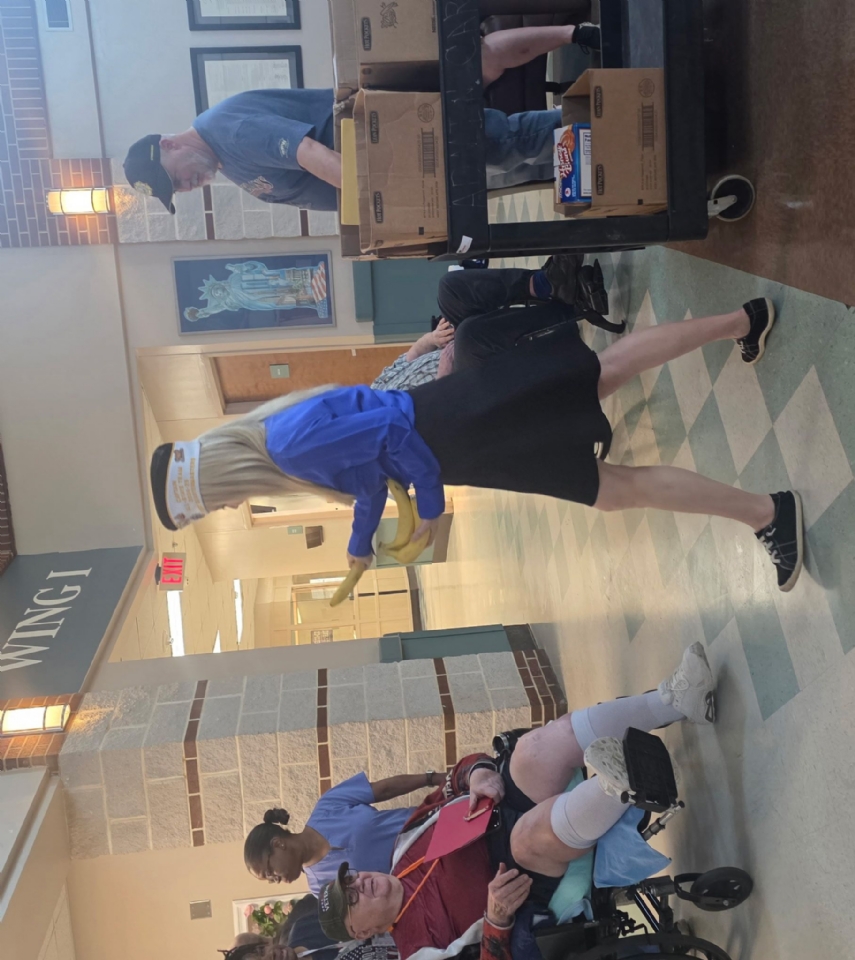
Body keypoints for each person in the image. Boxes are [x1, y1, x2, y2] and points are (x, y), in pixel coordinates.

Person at [149, 296, 803, 592]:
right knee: (601, 386)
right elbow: (369, 473)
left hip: (454, 431)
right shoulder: (276, 439)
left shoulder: (287, 448)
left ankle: (767, 511)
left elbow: (390, 431)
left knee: (607, 462)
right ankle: (742, 321)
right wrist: (359, 546)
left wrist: (430, 511)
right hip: (456, 428)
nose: (226, 509)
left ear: (221, 482)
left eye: (213, 503)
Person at [315, 645, 717, 960]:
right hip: (516, 880)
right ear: (361, 932)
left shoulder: (403, 848)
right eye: (352, 899)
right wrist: (496, 919)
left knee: (532, 749)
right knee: (527, 837)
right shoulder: (417, 950)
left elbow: (452, 783)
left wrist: (476, 774)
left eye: (350, 880)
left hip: (498, 812)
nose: (359, 884)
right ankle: (617, 787)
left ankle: (677, 700)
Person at [123, 25, 601, 212]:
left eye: (175, 179)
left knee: (501, 138)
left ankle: (604, 117)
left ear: (169, 144)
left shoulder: (229, 132)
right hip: (395, 153)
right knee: (503, 145)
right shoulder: (224, 159)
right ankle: (598, 123)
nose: (186, 187)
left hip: (392, 134)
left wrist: (381, 202)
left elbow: (309, 153)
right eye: (177, 192)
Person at [371, 257, 610, 392]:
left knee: (450, 289)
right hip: (459, 394)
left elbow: (409, 357)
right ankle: (573, 308)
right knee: (469, 336)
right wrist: (444, 377)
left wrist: (432, 338)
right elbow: (435, 429)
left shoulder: (374, 391)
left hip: (452, 355)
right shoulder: (384, 446)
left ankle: (548, 284)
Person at [243, 770, 442, 894]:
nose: (275, 879)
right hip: (434, 875)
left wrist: (435, 778)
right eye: (270, 880)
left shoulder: (327, 805)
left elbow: (385, 789)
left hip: (435, 824)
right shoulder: (322, 889)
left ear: (278, 844)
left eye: (269, 871)